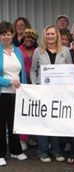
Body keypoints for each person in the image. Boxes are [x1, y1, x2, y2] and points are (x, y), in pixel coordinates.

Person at [30, 25, 72, 163]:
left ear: (57, 35)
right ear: (45, 35)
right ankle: (42, 151)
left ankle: (56, 151)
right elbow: (33, 70)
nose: (50, 36)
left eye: (53, 33)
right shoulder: (38, 51)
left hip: (60, 93)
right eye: (48, 34)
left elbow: (71, 70)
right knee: (43, 122)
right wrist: (36, 85)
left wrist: (69, 87)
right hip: (44, 92)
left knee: (56, 122)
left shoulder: (65, 51)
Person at [0, 21, 28, 166]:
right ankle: (0, 154)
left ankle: (15, 151)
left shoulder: (17, 50)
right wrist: (9, 82)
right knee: (1, 123)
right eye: (3, 34)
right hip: (3, 93)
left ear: (12, 35)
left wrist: (24, 88)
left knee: (14, 123)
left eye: (9, 34)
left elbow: (22, 71)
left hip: (17, 93)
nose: (6, 37)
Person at [19, 28, 39, 150]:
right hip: (22, 85)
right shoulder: (18, 50)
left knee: (33, 111)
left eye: (31, 38)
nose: (28, 39)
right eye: (26, 37)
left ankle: (31, 137)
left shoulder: (37, 51)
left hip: (34, 85)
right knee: (23, 112)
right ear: (23, 38)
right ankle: (22, 139)